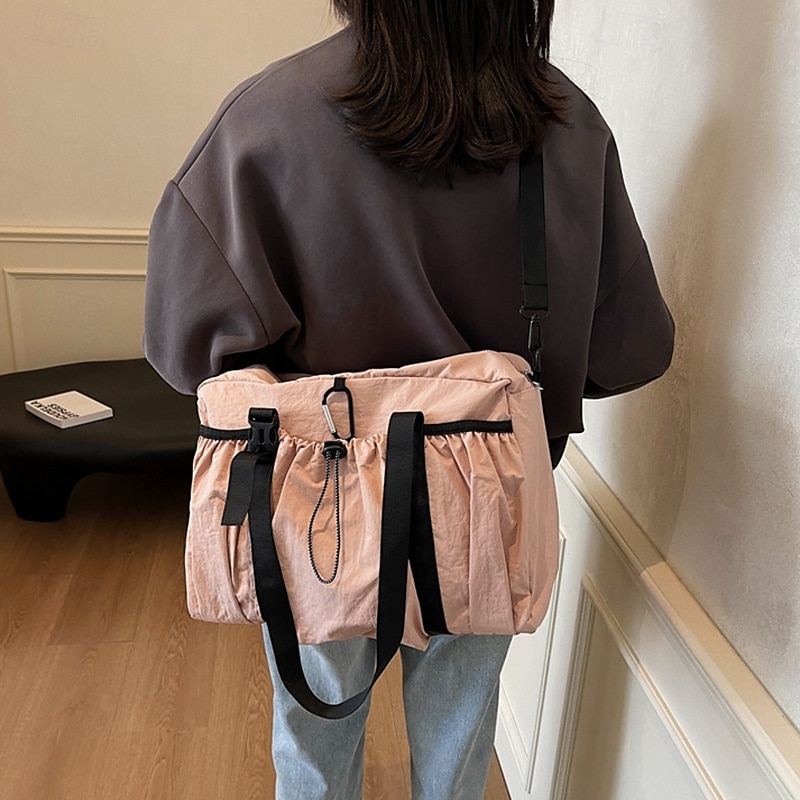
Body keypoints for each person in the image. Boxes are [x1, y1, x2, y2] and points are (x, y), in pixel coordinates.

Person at [143, 1, 675, 798]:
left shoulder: (268, 116)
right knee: (460, 739)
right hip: (490, 495)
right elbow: (633, 347)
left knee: (315, 729)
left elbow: (185, 345)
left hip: (320, 491)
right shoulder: (564, 122)